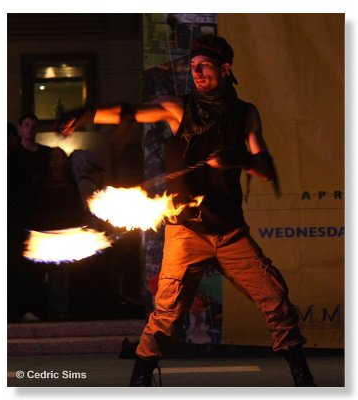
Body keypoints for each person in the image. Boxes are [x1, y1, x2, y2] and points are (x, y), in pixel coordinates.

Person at [57, 35, 316, 387]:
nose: (196, 72)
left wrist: (237, 159)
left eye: (204, 65)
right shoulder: (178, 108)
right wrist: (86, 113)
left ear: (225, 68)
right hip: (186, 233)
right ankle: (140, 379)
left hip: (229, 232)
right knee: (166, 313)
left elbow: (265, 166)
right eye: (192, 66)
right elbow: (128, 112)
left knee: (275, 299)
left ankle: (303, 378)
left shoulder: (245, 113)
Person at [8, 113, 82, 322]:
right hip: (24, 220)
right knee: (28, 268)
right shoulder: (15, 160)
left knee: (50, 268)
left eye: (34, 125)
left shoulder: (46, 155)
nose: (30, 129)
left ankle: (51, 309)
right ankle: (33, 309)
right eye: (27, 125)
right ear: (21, 129)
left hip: (46, 219)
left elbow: (61, 187)